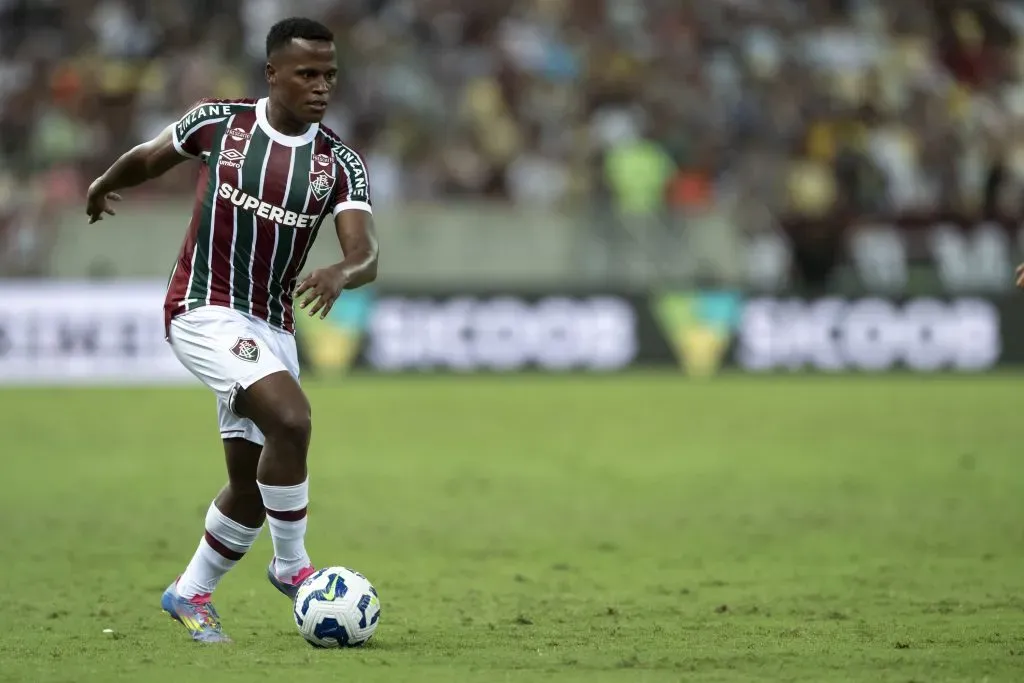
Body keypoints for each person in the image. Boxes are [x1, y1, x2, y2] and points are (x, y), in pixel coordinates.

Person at [84, 17, 379, 643]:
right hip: (201, 308)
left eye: (329, 74)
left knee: (251, 485)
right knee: (292, 419)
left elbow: (367, 253)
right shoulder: (222, 122)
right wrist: (105, 181)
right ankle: (294, 568)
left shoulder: (339, 163)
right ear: (272, 74)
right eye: (306, 73)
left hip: (271, 327)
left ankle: (189, 593)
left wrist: (340, 271)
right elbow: (149, 158)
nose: (321, 86)